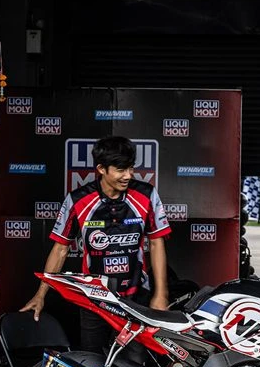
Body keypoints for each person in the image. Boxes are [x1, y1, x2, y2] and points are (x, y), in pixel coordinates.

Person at [21, 136, 171, 354]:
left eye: (130, 168)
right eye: (121, 170)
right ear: (101, 169)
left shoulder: (147, 194)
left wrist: (161, 294)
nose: (128, 175)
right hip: (94, 299)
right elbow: (60, 249)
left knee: (133, 366)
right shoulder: (78, 200)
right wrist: (41, 294)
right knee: (92, 362)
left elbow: (156, 243)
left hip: (136, 298)